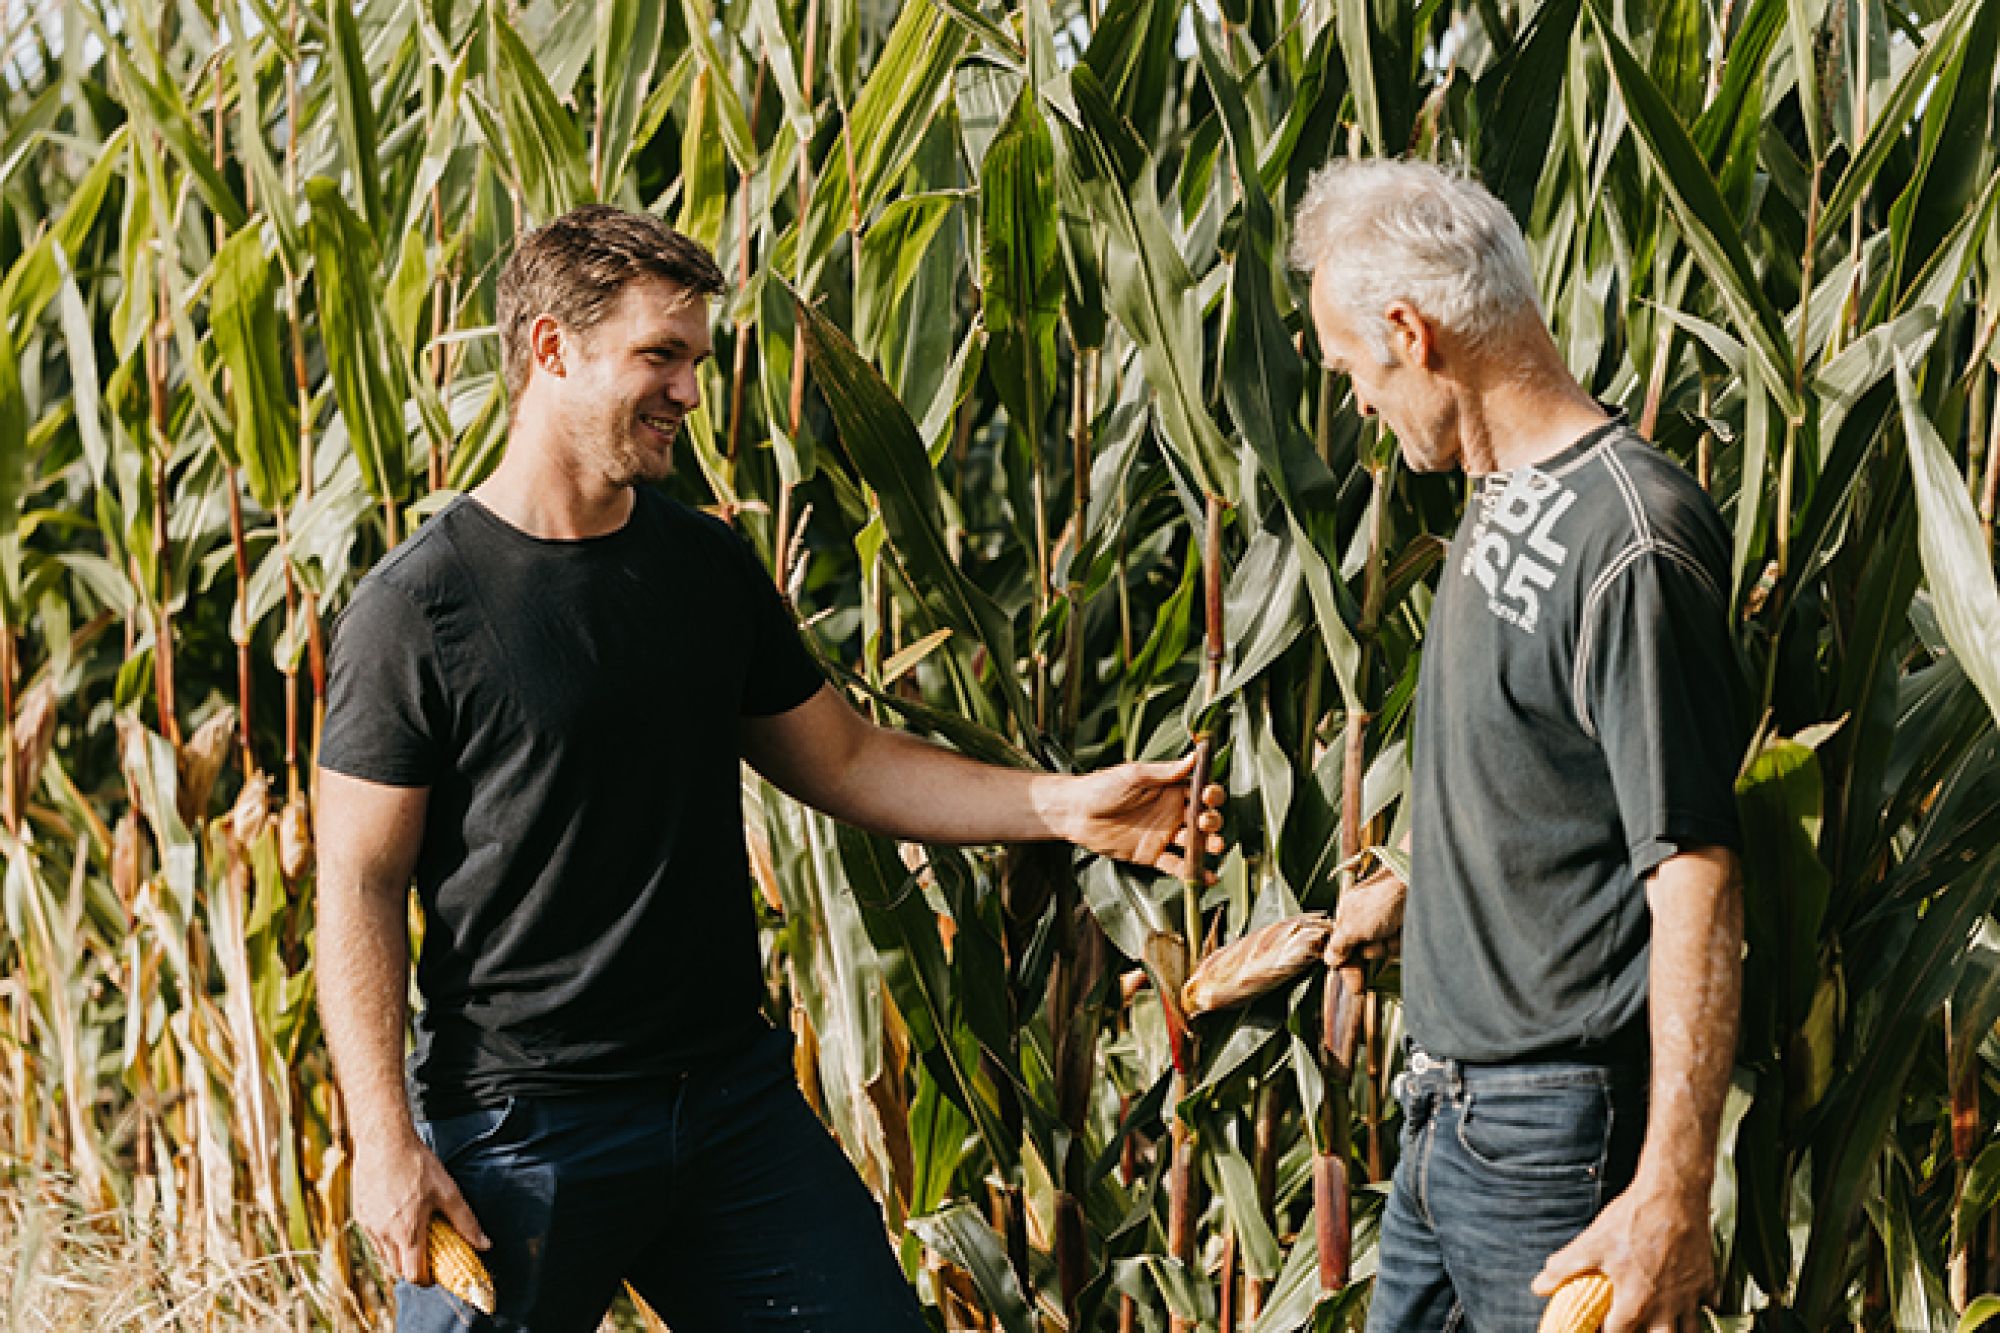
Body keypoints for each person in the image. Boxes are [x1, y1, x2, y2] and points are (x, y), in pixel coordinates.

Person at [314, 204, 1225, 1333]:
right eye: (660, 354)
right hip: (523, 1128)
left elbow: (843, 758)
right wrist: (384, 1141)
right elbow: (358, 880)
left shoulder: (701, 566)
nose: (689, 392)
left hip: (727, 1107)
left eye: (695, 358)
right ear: (551, 348)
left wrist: (1064, 807)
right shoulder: (416, 609)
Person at [1294, 160, 1745, 1333]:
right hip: (1445, 1116)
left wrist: (1670, 1192)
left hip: (1551, 1131)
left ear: (1411, 331)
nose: (1354, 403)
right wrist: (1412, 889)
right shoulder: (1502, 497)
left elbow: (1691, 870)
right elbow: (1553, 783)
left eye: (1350, 369)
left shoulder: (1628, 541)